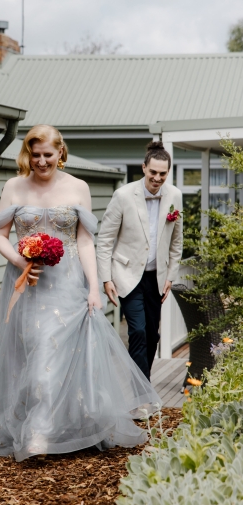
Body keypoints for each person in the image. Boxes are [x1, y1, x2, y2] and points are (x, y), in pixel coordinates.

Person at [0, 125, 161, 462]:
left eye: (48, 154)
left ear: (60, 152)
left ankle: (40, 432)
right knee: (31, 355)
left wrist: (94, 286)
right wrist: (19, 260)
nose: (41, 161)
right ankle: (35, 423)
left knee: (55, 353)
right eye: (35, 155)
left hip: (68, 283)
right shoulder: (13, 186)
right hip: (27, 283)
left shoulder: (79, 187)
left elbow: (85, 241)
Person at [96, 141, 183, 381]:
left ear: (168, 172)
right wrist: (106, 279)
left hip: (157, 278)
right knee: (137, 331)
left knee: (152, 335)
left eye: (162, 174)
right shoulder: (123, 195)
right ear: (144, 167)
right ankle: (141, 391)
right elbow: (105, 240)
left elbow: (177, 240)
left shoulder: (175, 195)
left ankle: (142, 382)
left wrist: (170, 276)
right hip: (127, 275)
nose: (157, 178)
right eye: (153, 172)